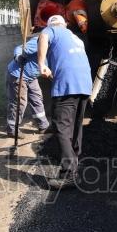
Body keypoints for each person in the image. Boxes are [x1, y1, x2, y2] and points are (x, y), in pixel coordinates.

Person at [37, 14, 92, 189]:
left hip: (67, 84)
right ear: (65, 24)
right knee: (76, 126)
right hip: (84, 84)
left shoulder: (50, 30)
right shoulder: (75, 38)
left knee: (61, 127)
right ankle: (74, 163)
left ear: (52, 25)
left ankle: (69, 175)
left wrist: (41, 64)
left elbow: (43, 37)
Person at [5, 34, 49, 137]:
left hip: (31, 76)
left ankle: (43, 126)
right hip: (18, 74)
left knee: (37, 98)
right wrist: (19, 57)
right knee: (19, 102)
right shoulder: (40, 41)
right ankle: (12, 129)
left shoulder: (56, 47)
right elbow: (19, 48)